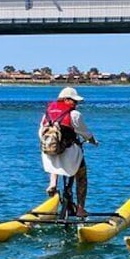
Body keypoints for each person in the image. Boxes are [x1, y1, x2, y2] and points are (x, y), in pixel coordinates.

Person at [39, 86, 98, 217]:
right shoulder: (74, 115)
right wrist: (94, 141)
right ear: (66, 99)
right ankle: (81, 209)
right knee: (81, 176)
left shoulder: (47, 114)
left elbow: (40, 133)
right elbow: (85, 133)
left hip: (48, 154)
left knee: (55, 156)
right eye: (74, 101)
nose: (76, 104)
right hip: (69, 154)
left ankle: (53, 183)